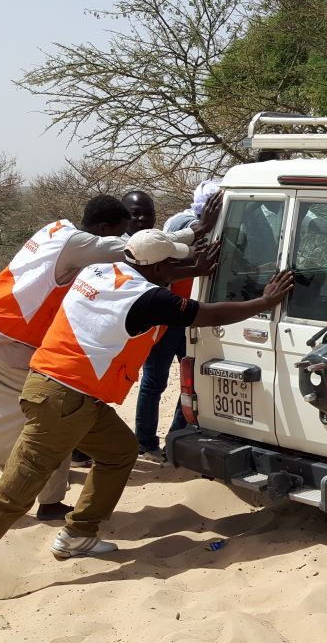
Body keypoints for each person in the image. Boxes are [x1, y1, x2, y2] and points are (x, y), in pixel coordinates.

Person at [0, 228, 296, 601]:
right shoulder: (146, 299)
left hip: (68, 393)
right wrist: (265, 301)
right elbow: (205, 313)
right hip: (63, 401)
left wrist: (188, 270)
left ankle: (78, 534)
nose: (178, 266)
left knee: (119, 452)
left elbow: (153, 276)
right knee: (13, 495)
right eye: (174, 263)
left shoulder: (100, 271)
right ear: (158, 268)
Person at [0, 195, 208, 538]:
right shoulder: (81, 245)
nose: (129, 231)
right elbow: (133, 252)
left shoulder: (56, 229)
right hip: (10, 340)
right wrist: (192, 234)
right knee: (57, 409)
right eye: (122, 227)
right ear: (104, 229)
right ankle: (49, 503)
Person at [133, 179, 222, 460]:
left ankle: (176, 437)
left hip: (191, 315)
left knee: (191, 379)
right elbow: (165, 263)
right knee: (155, 380)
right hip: (167, 315)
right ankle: (145, 443)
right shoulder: (181, 223)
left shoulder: (221, 224)